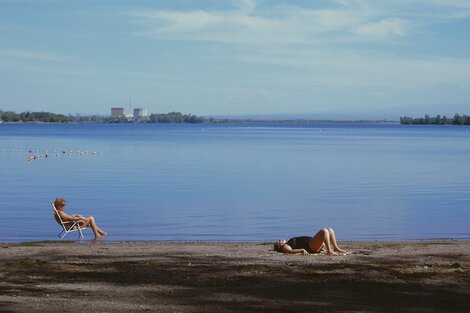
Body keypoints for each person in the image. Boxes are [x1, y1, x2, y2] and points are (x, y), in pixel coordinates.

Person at [274, 227, 349, 256]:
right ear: (279, 246)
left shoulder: (287, 243)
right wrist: (301, 250)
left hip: (313, 244)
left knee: (330, 230)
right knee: (324, 231)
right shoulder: (285, 246)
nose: (280, 240)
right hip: (310, 247)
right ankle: (329, 251)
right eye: (278, 241)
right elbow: (290, 251)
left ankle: (336, 248)